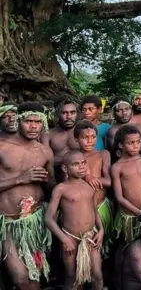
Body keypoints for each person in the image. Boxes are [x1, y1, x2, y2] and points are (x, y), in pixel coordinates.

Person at [0, 102, 55, 287]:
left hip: (34, 222)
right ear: (18, 120)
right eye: (28, 121)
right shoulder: (2, 147)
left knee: (35, 278)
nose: (33, 126)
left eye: (38, 122)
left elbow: (50, 186)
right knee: (21, 278)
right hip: (7, 223)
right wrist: (20, 179)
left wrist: (46, 180)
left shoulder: (44, 151)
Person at [45, 151, 104, 290]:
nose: (81, 167)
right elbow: (48, 218)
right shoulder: (61, 189)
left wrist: (101, 229)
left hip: (90, 237)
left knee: (98, 275)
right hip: (70, 238)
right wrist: (64, 239)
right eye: (76, 164)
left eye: (83, 163)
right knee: (72, 277)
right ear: (65, 168)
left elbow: (94, 211)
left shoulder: (90, 186)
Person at [74, 121, 113, 258]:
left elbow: (108, 181)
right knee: (82, 250)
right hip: (80, 210)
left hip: (100, 207)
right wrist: (87, 176)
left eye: (93, 137)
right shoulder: (72, 157)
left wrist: (92, 178)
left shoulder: (103, 154)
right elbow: (69, 184)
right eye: (85, 137)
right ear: (76, 139)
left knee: (102, 248)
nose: (90, 141)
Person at [111, 125, 141, 243]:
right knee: (129, 244)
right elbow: (119, 197)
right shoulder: (117, 167)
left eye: (138, 142)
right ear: (121, 145)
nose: (136, 146)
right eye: (131, 143)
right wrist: (138, 212)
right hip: (130, 215)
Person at [45, 100, 78, 182]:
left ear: (77, 114)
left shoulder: (83, 132)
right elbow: (45, 160)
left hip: (80, 179)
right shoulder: (47, 134)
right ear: (58, 114)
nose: (69, 116)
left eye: (72, 112)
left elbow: (90, 155)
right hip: (56, 178)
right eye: (64, 113)